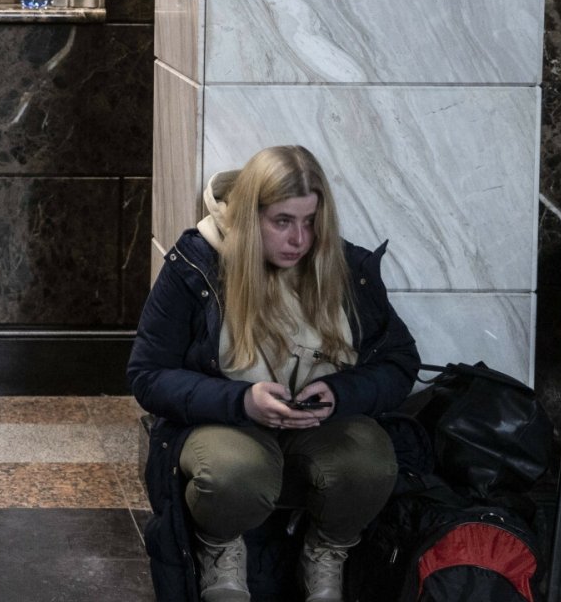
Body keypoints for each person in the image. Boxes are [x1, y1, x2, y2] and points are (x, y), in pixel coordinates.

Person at [128, 145, 418, 602]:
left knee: (371, 462)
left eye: (310, 222)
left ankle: (326, 552)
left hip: (318, 424)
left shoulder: (345, 269)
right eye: (282, 221)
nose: (299, 240)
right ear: (248, 214)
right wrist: (241, 401)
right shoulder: (196, 266)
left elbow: (400, 362)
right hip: (225, 424)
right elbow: (147, 374)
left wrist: (340, 393)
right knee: (235, 472)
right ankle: (219, 548)